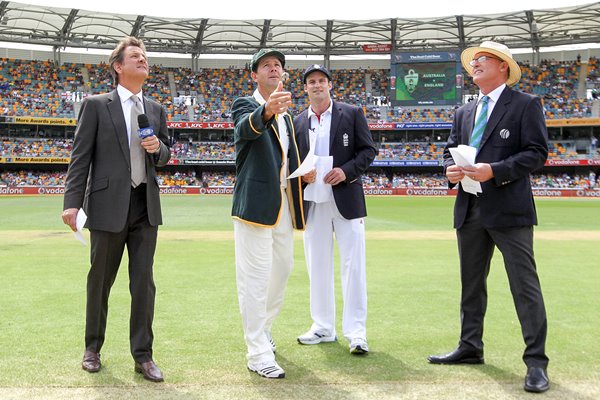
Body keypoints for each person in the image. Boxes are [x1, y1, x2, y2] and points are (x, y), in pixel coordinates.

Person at [428, 41, 550, 393]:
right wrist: (450, 170)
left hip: (509, 209)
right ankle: (470, 347)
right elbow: (450, 152)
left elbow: (537, 152)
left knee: (524, 287)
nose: (475, 64)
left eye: (483, 59)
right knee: (471, 284)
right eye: (473, 61)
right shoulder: (464, 112)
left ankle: (536, 363)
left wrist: (493, 170)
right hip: (469, 207)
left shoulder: (526, 104)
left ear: (503, 67)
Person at [61, 36, 170, 383]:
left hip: (145, 207)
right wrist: (71, 203)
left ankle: (143, 356)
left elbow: (166, 157)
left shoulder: (155, 109)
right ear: (118, 66)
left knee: (144, 284)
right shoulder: (96, 105)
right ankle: (92, 348)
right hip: (107, 207)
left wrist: (158, 149)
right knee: (100, 281)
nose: (143, 60)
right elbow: (81, 158)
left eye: (145, 57)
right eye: (135, 56)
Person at [230, 49, 305, 379]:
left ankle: (264, 330)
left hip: (283, 207)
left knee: (283, 272)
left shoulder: (288, 117)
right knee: (255, 280)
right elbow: (244, 130)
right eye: (266, 66)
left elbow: (285, 159)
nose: (274, 69)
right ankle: (256, 351)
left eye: (278, 66)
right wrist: (266, 111)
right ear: (254, 75)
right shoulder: (244, 105)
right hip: (255, 206)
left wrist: (305, 172)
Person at [293, 64, 376, 354]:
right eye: (311, 82)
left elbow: (368, 151)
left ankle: (356, 332)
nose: (317, 85)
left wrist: (346, 171)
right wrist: (301, 173)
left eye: (321, 81)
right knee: (317, 265)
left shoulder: (351, 113)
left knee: (353, 266)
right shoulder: (298, 121)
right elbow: (292, 159)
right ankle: (323, 327)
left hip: (346, 199)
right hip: (313, 201)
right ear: (305, 88)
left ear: (330, 85)